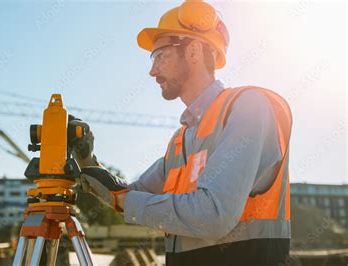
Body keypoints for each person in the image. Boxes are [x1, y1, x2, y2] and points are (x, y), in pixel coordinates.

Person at [73, 1, 292, 265]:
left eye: (159, 56)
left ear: (193, 51)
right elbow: (132, 195)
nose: (152, 70)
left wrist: (125, 199)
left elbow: (213, 215)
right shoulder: (180, 141)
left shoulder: (249, 107)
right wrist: (88, 161)